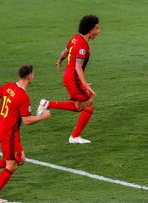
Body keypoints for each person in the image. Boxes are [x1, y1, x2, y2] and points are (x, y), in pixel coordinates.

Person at [0, 64, 51, 203]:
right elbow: (27, 120)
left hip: (3, 129)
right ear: (30, 76)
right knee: (12, 165)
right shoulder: (23, 96)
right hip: (9, 135)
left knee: (21, 159)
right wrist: (44, 116)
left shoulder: (8, 87)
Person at [36, 15, 100, 144]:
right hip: (74, 79)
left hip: (68, 76)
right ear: (90, 30)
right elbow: (78, 66)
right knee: (88, 105)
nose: (98, 31)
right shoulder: (82, 46)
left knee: (79, 106)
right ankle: (75, 137)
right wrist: (84, 84)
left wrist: (59, 60)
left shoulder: (75, 38)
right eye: (97, 28)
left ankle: (47, 104)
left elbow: (65, 51)